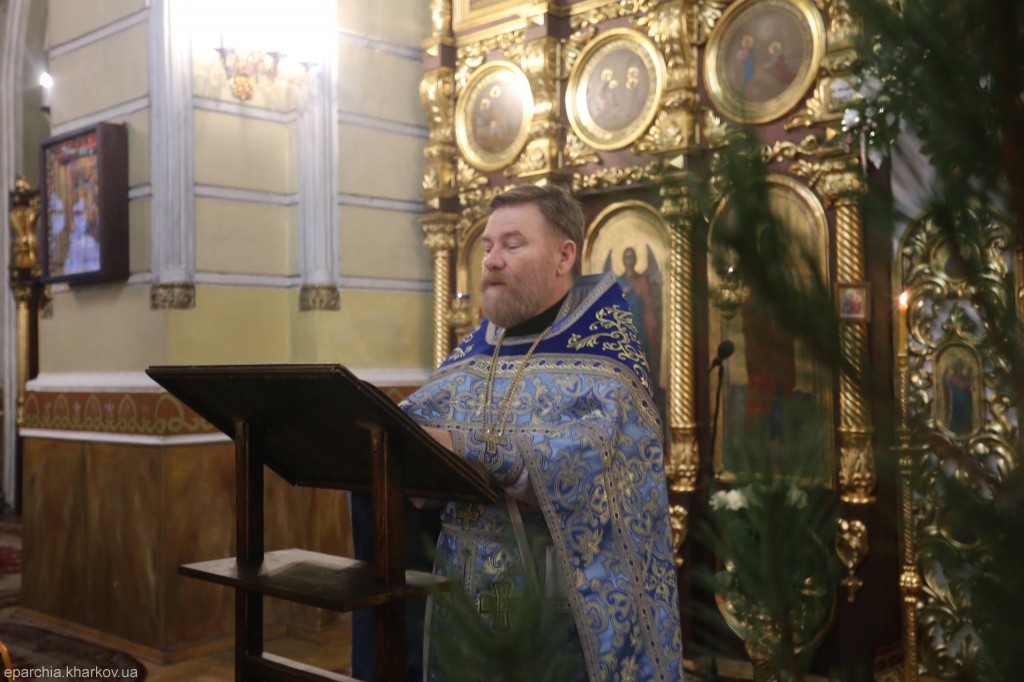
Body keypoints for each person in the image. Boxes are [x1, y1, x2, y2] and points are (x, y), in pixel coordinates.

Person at [400, 184, 684, 680]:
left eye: (512, 245)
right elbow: (410, 423)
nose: (492, 260)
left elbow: (592, 459)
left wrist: (470, 448)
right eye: (488, 246)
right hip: (459, 596)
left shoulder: (606, 350)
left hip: (556, 604)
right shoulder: (478, 348)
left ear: (563, 256)